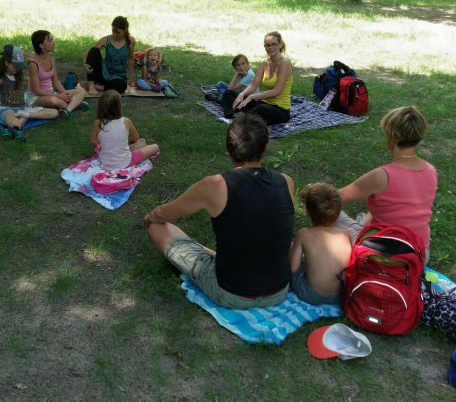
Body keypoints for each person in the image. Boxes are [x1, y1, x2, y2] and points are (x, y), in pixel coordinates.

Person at [144, 113, 295, 309]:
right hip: (279, 291)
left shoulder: (215, 185)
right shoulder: (286, 181)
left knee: (157, 228)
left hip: (232, 293)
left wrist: (149, 217)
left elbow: (162, 214)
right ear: (265, 147)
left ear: (228, 148)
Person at [335, 106, 437, 263]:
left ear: (391, 137)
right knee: (377, 208)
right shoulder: (431, 170)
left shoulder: (382, 176)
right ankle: (361, 224)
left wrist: (310, 191)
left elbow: (336, 197)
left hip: (385, 256)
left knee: (334, 214)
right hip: (419, 255)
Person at [289, 183, 352, 305]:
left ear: (307, 211)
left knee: (290, 249)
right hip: (339, 296)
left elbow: (293, 269)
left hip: (311, 295)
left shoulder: (303, 234)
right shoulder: (344, 234)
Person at [0, 44, 60, 141]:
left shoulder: (19, 73)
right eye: (15, 66)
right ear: (7, 63)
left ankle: (14, 125)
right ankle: (17, 126)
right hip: (8, 109)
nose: (18, 68)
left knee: (54, 113)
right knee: (12, 121)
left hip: (23, 108)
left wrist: (26, 112)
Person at [222, 31, 293, 124]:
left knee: (260, 109)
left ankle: (242, 116)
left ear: (280, 44)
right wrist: (242, 94)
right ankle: (235, 116)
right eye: (267, 45)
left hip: (280, 110)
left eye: (274, 44)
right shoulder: (265, 62)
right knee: (228, 94)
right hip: (264, 102)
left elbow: (277, 91)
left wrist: (252, 96)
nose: (270, 48)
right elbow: (254, 84)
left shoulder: (285, 63)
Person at [90, 90, 160, 171]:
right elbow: (135, 137)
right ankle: (131, 148)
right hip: (126, 162)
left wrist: (107, 141)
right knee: (155, 147)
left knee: (101, 147)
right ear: (118, 107)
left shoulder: (98, 123)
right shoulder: (126, 121)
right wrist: (124, 141)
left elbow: (93, 140)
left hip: (105, 161)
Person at [27, 30, 88, 118]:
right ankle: (74, 104)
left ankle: (67, 110)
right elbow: (37, 90)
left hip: (51, 93)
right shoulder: (33, 64)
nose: (53, 43)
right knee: (54, 101)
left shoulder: (51, 58)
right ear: (41, 45)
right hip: (36, 97)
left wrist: (65, 94)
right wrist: (59, 96)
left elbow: (56, 82)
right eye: (50, 41)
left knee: (81, 91)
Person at [82, 16, 135, 95]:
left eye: (118, 32)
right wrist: (84, 63)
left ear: (125, 30)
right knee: (94, 50)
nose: (114, 34)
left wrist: (131, 78)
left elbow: (131, 58)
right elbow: (89, 51)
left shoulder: (130, 41)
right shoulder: (106, 39)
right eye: (113, 31)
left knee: (122, 86)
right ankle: (91, 85)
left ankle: (97, 87)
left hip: (119, 77)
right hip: (104, 73)